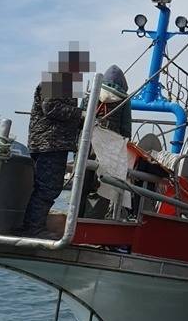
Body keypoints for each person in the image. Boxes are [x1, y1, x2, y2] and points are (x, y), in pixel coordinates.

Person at [22, 48, 91, 237]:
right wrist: (81, 114)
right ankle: (33, 229)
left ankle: (33, 226)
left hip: (53, 143)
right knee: (47, 187)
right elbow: (51, 107)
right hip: (49, 143)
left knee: (48, 187)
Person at [79, 64, 132, 217]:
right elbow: (126, 131)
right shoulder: (124, 100)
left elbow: (80, 119)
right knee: (104, 187)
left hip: (87, 145)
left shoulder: (92, 93)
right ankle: (95, 220)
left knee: (81, 183)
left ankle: (75, 218)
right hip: (110, 150)